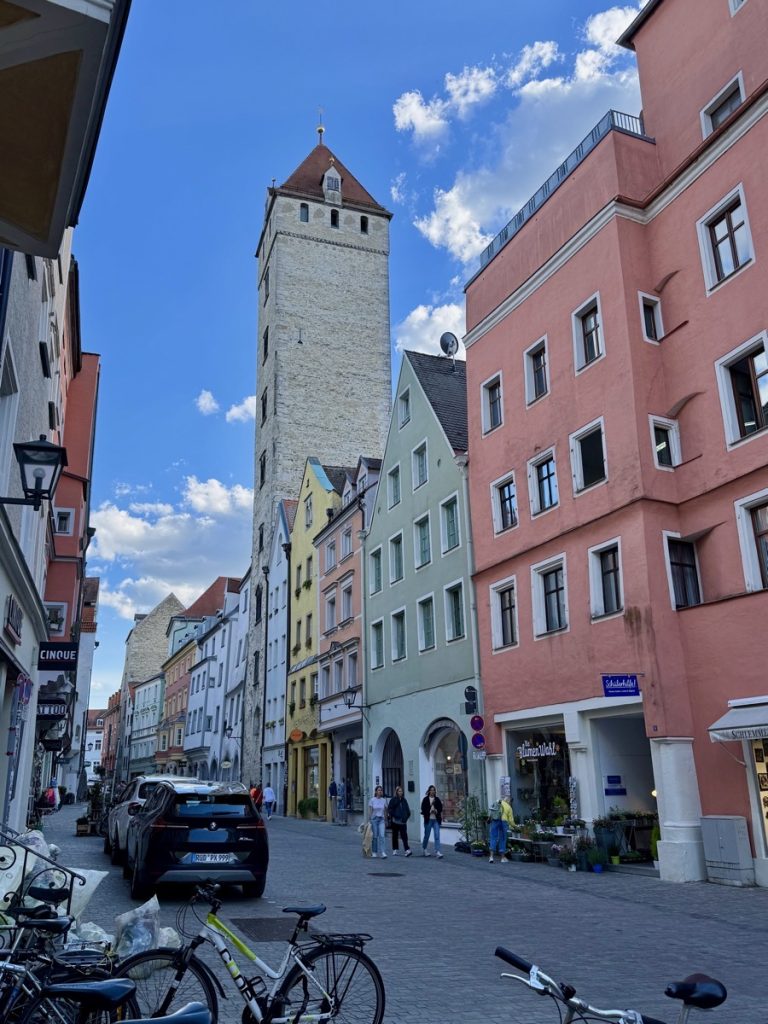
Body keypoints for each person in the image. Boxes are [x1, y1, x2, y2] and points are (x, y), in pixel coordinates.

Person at [488, 795, 515, 863]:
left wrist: (490, 818)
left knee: (493, 837)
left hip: (495, 820)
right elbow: (511, 821)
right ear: (509, 801)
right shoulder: (509, 807)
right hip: (503, 822)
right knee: (502, 839)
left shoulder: (497, 802)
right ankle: (502, 858)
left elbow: (492, 812)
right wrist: (514, 826)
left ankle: (491, 857)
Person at [388, 785, 412, 856]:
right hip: (395, 821)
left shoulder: (404, 800)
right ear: (396, 792)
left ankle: (407, 849)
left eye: (401, 791)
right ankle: (395, 849)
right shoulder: (393, 800)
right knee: (395, 835)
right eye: (399, 791)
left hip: (403, 821)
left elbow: (408, 810)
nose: (400, 792)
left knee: (404, 836)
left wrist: (406, 817)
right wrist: (395, 815)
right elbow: (390, 809)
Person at [420, 785, 443, 858]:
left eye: (434, 790)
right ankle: (424, 849)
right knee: (427, 835)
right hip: (428, 819)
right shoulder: (425, 799)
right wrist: (430, 810)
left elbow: (440, 808)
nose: (432, 791)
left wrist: (436, 810)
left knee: (437, 835)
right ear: (429, 791)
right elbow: (423, 809)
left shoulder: (437, 799)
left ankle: (437, 851)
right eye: (431, 790)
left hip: (436, 820)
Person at [368, 785, 388, 858]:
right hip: (374, 820)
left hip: (381, 820)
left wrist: (386, 820)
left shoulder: (384, 800)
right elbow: (370, 811)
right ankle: (374, 851)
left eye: (381, 790)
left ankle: (383, 852)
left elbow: (386, 811)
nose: (380, 791)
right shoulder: (372, 800)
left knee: (382, 836)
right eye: (379, 790)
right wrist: (369, 820)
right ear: (376, 792)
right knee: (375, 836)